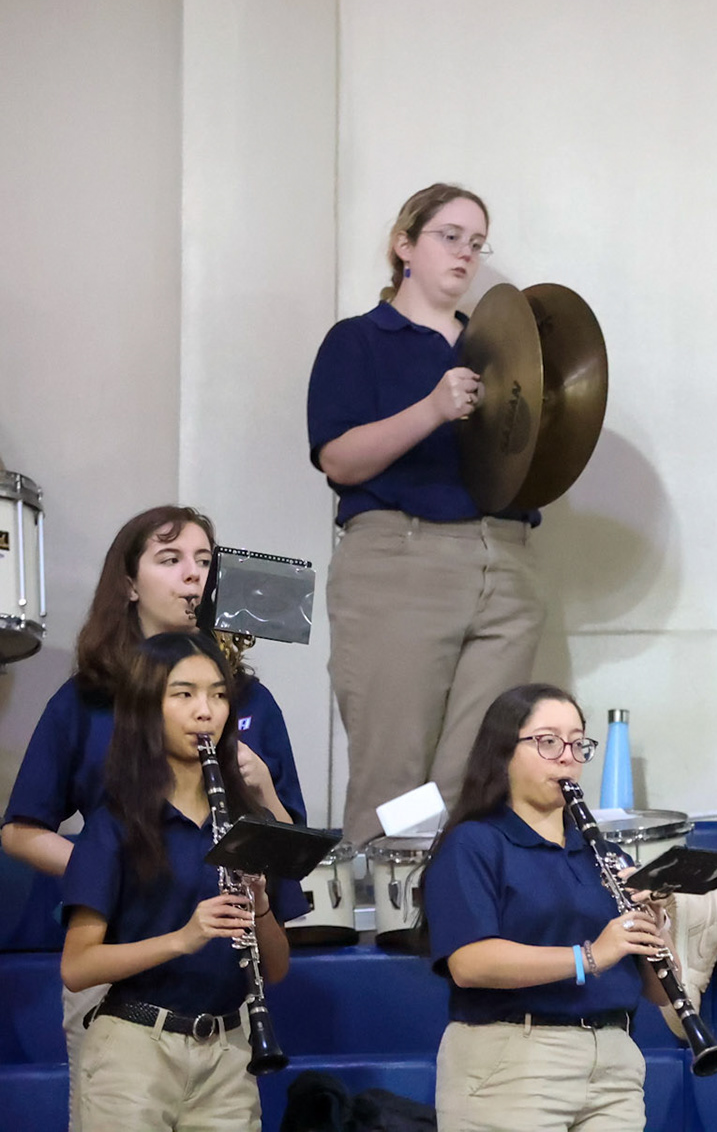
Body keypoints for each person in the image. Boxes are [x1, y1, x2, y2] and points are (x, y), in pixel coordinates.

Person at [2, 505, 304, 1128]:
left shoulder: (250, 699)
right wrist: (116, 871)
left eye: (203, 561)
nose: (192, 576)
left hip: (219, 988)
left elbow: (292, 848)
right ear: (130, 583)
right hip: (119, 969)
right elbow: (20, 828)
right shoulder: (87, 696)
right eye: (170, 560)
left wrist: (266, 788)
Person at [306, 183, 544, 845]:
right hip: (400, 558)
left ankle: (454, 928)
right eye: (449, 236)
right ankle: (381, 935)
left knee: (479, 775)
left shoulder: (497, 351)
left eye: (476, 242)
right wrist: (433, 409)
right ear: (404, 244)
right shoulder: (360, 341)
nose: (465, 253)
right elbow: (340, 461)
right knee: (395, 774)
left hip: (503, 558)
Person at [60, 631, 307, 1132]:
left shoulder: (247, 822)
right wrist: (183, 939)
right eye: (184, 694)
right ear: (147, 708)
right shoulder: (116, 823)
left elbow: (275, 969)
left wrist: (259, 905)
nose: (206, 711)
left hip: (230, 1054)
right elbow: (77, 966)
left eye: (218, 694)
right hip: (133, 1049)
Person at [421, 683, 672, 1132]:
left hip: (614, 1060)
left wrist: (655, 924)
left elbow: (656, 991)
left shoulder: (607, 855)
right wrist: (591, 955)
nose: (567, 756)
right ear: (503, 752)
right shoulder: (474, 843)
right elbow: (469, 963)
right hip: (514, 1059)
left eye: (578, 743)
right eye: (548, 741)